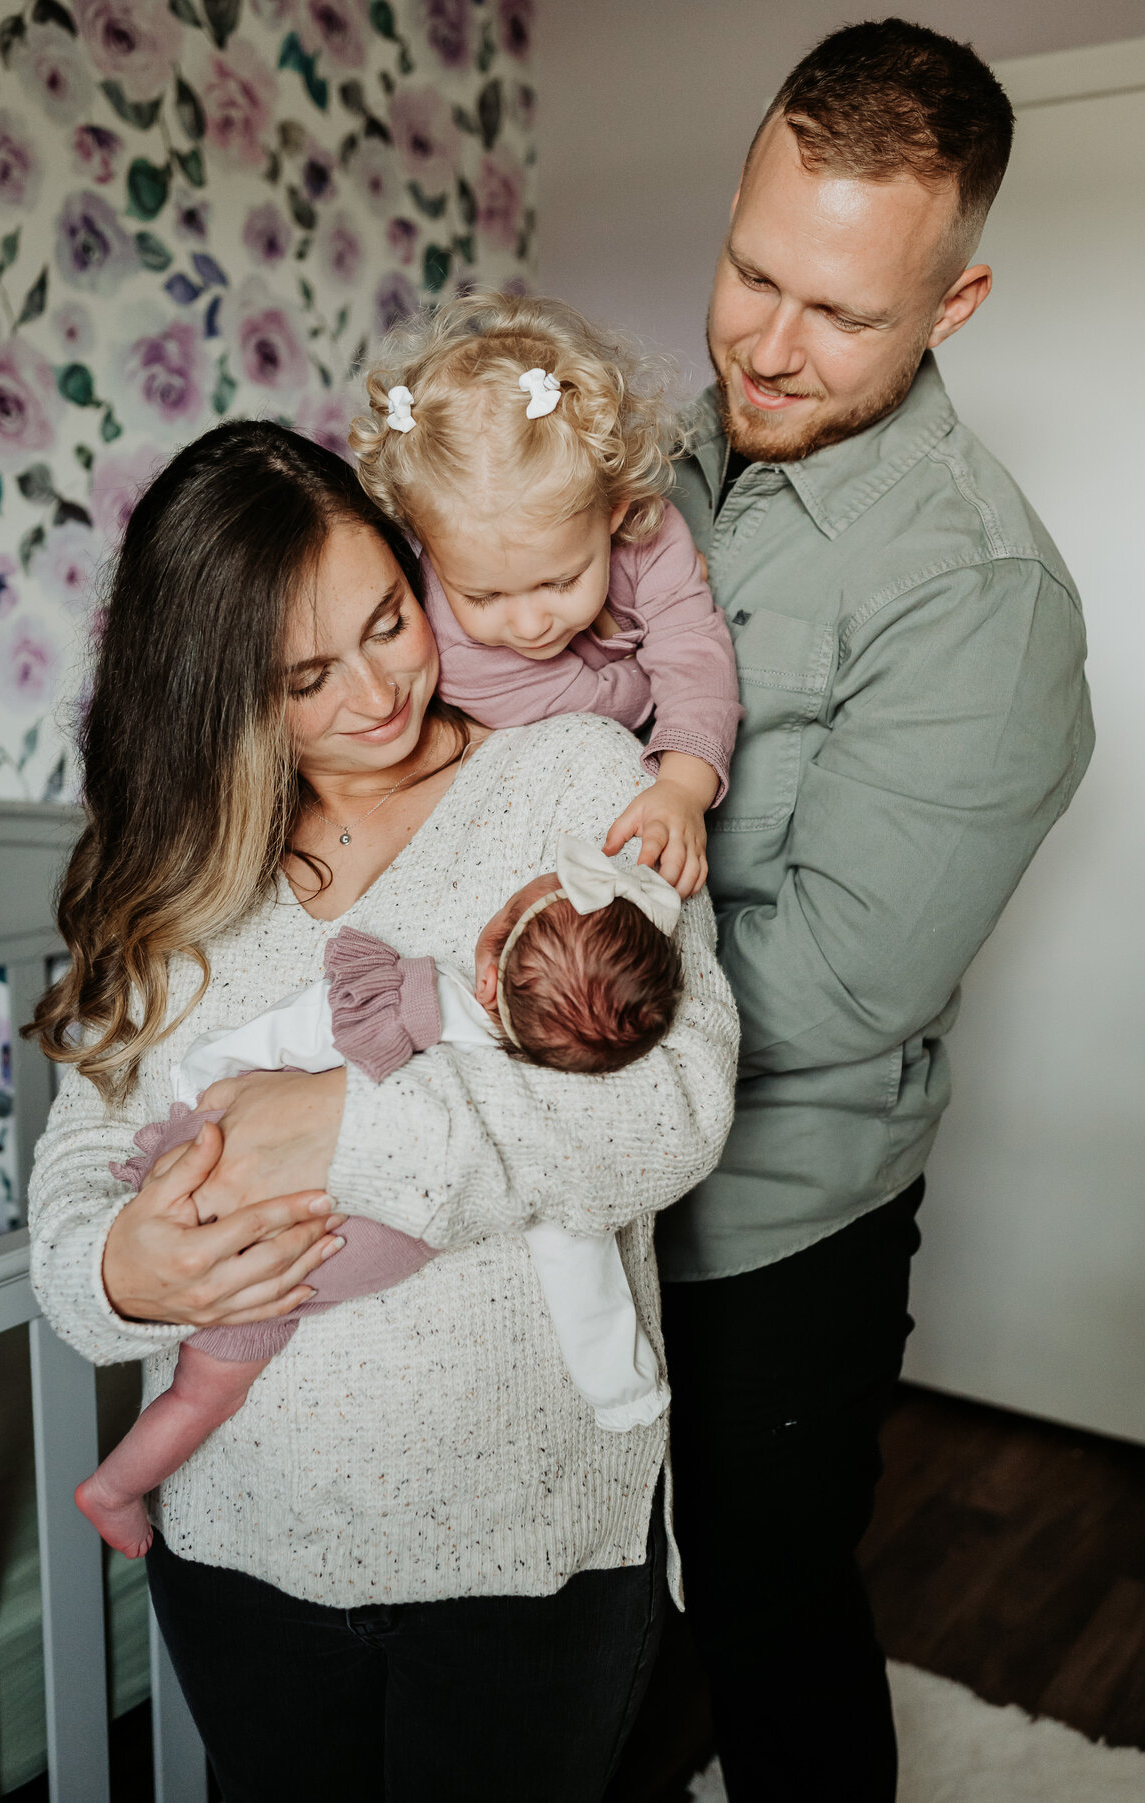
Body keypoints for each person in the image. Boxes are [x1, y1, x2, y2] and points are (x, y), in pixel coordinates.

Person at [27, 419, 739, 1803]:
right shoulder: (176, 869)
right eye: (305, 674)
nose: (376, 692)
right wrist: (118, 1267)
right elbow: (74, 1173)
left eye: (389, 620)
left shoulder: (574, 778)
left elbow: (675, 1109)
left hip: (524, 1549)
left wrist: (347, 1128)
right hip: (242, 1541)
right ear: (217, 692)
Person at [650, 20, 1095, 1803]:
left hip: (774, 1221)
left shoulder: (987, 600)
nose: (770, 344)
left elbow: (835, 977)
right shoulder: (669, 455)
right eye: (754, 272)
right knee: (583, 1595)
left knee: (770, 1615)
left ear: (955, 302)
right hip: (547, 1177)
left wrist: (501, 989)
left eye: (840, 314)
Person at [75, 839, 685, 1560]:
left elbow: (300, 1022)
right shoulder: (538, 1138)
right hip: (262, 1252)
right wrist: (621, 1390)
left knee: (200, 1385)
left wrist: (208, 1079)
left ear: (490, 974)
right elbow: (586, 1284)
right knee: (203, 1397)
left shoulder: (418, 998)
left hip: (206, 1151)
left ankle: (113, 1487)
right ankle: (112, 1487)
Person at [349, 288, 743, 900]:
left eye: (559, 582)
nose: (531, 624)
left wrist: (684, 789)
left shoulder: (650, 529)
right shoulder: (452, 647)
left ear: (616, 511)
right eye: (483, 596)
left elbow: (694, 658)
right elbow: (616, 711)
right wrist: (650, 646)